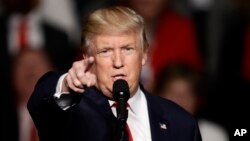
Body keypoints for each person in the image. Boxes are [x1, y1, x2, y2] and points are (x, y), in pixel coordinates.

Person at [27, 6, 202, 141]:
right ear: (88, 57)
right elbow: (42, 104)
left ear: (144, 54)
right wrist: (66, 84)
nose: (118, 62)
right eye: (105, 51)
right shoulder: (73, 113)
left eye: (127, 49)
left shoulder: (181, 123)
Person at [154, 63, 229, 141]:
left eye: (187, 94)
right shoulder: (144, 131)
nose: (179, 100)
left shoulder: (212, 135)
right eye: (172, 93)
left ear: (196, 99)